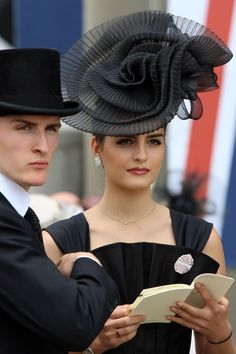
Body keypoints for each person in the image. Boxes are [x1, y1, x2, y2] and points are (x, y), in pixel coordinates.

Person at [43, 11, 236, 354]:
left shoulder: (202, 240)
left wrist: (220, 331)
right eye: (126, 141)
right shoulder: (57, 244)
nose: (142, 155)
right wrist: (93, 345)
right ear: (97, 147)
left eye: (154, 141)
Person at [0, 48, 119, 354]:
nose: (42, 146)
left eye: (51, 128)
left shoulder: (16, 211)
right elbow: (76, 321)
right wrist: (86, 263)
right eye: (24, 127)